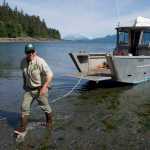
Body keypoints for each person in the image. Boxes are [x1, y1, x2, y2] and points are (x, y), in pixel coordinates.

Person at [15, 43, 53, 134]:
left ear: (35, 52)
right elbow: (24, 74)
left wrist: (44, 87)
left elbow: (50, 74)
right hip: (29, 89)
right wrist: (24, 84)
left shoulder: (40, 61)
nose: (31, 54)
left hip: (40, 89)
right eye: (28, 52)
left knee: (45, 107)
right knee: (24, 107)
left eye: (32, 51)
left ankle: (50, 123)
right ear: (25, 53)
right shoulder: (23, 62)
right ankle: (23, 128)